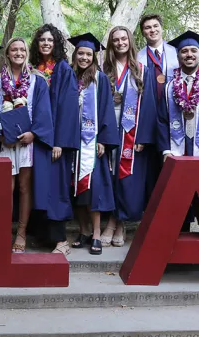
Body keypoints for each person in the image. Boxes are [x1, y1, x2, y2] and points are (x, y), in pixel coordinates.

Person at [0, 37, 53, 253]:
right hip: (5, 142)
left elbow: (43, 110)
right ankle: (2, 231)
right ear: (8, 53)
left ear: (27, 53)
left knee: (24, 187)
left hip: (27, 143)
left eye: (22, 49)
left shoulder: (37, 80)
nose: (19, 52)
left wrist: (34, 133)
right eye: (14, 49)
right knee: (6, 187)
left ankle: (21, 233)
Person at [101, 26, 156, 247]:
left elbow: (150, 105)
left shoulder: (142, 69)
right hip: (108, 124)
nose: (120, 42)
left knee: (125, 175)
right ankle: (112, 220)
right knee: (110, 171)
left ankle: (117, 223)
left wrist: (142, 136)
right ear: (111, 44)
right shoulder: (105, 69)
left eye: (124, 39)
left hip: (131, 128)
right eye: (116, 40)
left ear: (130, 41)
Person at [29, 24, 79, 255]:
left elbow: (68, 108)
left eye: (50, 40)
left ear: (57, 43)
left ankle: (61, 240)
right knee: (38, 186)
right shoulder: (33, 69)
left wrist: (59, 141)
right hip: (36, 138)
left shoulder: (63, 70)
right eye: (42, 40)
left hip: (54, 141)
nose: (46, 43)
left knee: (56, 187)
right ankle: (42, 236)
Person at [69, 33, 119, 255]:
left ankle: (97, 234)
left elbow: (107, 110)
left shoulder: (100, 80)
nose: (84, 57)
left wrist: (104, 141)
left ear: (94, 57)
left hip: (93, 143)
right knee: (76, 191)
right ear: (75, 54)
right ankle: (83, 231)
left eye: (89, 54)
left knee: (93, 191)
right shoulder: (69, 78)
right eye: (81, 53)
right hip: (72, 144)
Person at [157, 31, 199, 223]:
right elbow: (162, 120)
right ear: (178, 56)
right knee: (178, 199)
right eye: (184, 51)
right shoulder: (170, 86)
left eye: (193, 50)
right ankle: (178, 238)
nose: (189, 54)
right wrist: (166, 150)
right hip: (177, 147)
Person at [137, 14, 179, 202]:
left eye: (155, 26)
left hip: (172, 114)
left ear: (161, 27)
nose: (152, 30)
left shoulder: (175, 52)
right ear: (143, 32)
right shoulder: (137, 56)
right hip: (147, 113)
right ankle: (150, 204)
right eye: (147, 27)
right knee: (150, 161)